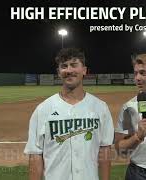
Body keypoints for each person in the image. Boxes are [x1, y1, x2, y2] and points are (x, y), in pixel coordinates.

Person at [24, 48, 114, 180]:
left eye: (74, 65)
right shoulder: (43, 109)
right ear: (59, 72)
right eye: (64, 66)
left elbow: (105, 150)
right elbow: (35, 156)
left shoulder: (100, 107)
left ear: (84, 70)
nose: (69, 70)